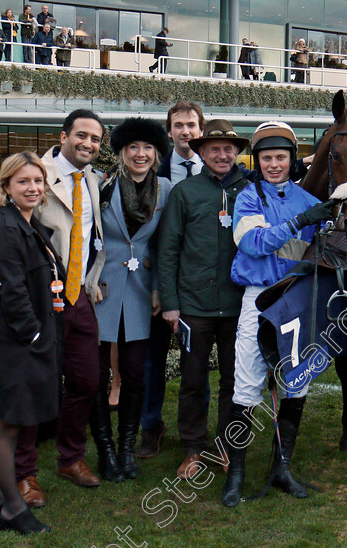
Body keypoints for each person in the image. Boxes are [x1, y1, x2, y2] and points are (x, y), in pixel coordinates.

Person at [0, 109, 108, 506]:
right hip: (42, 303)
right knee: (33, 388)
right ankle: (25, 474)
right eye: (81, 136)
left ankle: (70, 458)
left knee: (86, 381)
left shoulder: (93, 179)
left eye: (95, 139)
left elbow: (90, 236)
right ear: (63, 136)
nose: (88, 144)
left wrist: (93, 282)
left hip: (78, 297)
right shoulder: (33, 172)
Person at [222, 121, 336, 507]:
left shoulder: (307, 199)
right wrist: (301, 222)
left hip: (297, 299)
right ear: (258, 160)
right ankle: (235, 474)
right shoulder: (247, 197)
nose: (274, 164)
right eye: (267, 158)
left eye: (281, 157)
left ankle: (281, 467)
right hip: (259, 297)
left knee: (297, 379)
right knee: (247, 380)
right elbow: (252, 243)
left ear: (291, 160)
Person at [0, 152, 64, 535]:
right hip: (13, 341)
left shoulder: (29, 223)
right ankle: (12, 508)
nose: (33, 188)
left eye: (38, 182)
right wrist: (36, 335)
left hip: (24, 338)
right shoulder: (5, 227)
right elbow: (13, 290)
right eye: (23, 182)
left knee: (14, 422)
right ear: (6, 187)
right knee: (6, 426)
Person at [157, 119, 250, 480]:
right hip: (194, 306)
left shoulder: (251, 190)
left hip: (239, 305)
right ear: (202, 153)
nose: (222, 155)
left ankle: (227, 447)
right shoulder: (185, 193)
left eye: (228, 149)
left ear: (237, 152)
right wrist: (170, 302)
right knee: (193, 381)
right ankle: (193, 448)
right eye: (214, 149)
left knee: (234, 381)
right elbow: (168, 251)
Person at [90, 118, 172, 483]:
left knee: (136, 374)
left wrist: (159, 287)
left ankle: (127, 448)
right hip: (101, 291)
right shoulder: (101, 185)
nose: (141, 154)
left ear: (156, 154)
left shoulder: (167, 191)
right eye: (133, 147)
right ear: (122, 151)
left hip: (141, 293)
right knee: (96, 375)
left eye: (148, 148)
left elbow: (163, 245)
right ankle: (105, 451)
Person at [135, 102, 205, 460]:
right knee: (153, 361)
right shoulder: (152, 171)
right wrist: (157, 285)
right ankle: (151, 427)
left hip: (203, 285)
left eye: (191, 125)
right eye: (178, 125)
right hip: (159, 282)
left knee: (199, 361)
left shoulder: (218, 170)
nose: (185, 132)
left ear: (201, 130)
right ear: (169, 132)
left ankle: (197, 431)